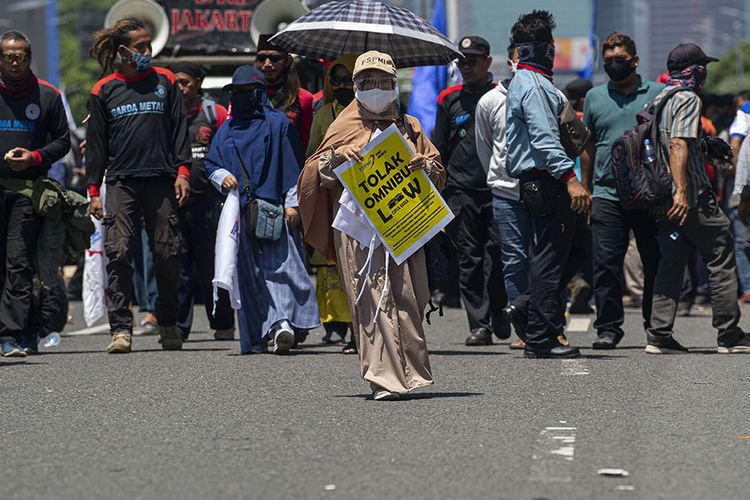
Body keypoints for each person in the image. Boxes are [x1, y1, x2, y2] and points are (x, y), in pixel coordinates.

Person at [300, 51, 444, 400]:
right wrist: (336, 159)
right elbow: (315, 175)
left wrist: (426, 165)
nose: (376, 89)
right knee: (372, 300)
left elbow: (438, 173)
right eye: (368, 83)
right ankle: (383, 378)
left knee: (411, 298)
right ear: (356, 87)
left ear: (394, 86)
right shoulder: (342, 126)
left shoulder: (409, 125)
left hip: (402, 226)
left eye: (384, 82)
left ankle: (409, 372)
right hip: (359, 232)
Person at [86, 17, 191, 354]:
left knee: (167, 252)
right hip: (120, 183)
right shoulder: (103, 89)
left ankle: (168, 323)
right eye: (140, 47)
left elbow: (179, 131)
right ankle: (120, 329)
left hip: (161, 180)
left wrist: (183, 172)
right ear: (122, 52)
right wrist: (93, 191)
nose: (148, 51)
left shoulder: (166, 81)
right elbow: (97, 145)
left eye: (149, 45)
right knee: (118, 252)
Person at [204, 65, 319, 355]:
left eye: (247, 92)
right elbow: (210, 163)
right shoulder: (226, 128)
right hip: (238, 215)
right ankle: (256, 334)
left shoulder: (278, 123)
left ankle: (282, 324)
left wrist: (293, 203)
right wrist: (221, 177)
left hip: (273, 211)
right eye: (236, 92)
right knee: (247, 275)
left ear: (258, 93)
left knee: (279, 267)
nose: (241, 98)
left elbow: (293, 165)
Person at [646, 43, 750, 354]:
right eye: (702, 66)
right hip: (689, 198)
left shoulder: (660, 97)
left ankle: (659, 334)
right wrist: (682, 192)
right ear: (694, 70)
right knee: (720, 253)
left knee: (672, 262)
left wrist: (704, 146)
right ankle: (729, 334)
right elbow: (677, 144)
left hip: (663, 197)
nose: (704, 72)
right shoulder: (687, 98)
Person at [505, 10, 591, 359]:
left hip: (545, 179)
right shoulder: (533, 85)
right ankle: (540, 338)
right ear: (539, 49)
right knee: (550, 260)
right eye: (549, 46)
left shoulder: (535, 82)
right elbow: (542, 138)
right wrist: (570, 179)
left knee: (580, 249)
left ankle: (526, 305)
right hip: (547, 179)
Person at [580, 32, 664, 349]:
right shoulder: (594, 97)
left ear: (635, 61)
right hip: (606, 194)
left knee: (655, 261)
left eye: (622, 60)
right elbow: (588, 146)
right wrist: (585, 189)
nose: (616, 65)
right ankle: (608, 328)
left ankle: (655, 325)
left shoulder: (657, 93)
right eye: (610, 61)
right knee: (605, 264)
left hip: (648, 195)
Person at [432, 35, 509, 346]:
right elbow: (438, 146)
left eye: (472, 61)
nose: (466, 66)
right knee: (469, 258)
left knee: (499, 254)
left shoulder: (501, 96)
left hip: (497, 188)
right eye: (461, 61)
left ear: (487, 63)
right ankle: (479, 324)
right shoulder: (448, 99)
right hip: (460, 191)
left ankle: (500, 308)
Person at [0, 30, 71, 357]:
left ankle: (12, 335)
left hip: (27, 191)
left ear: (29, 58)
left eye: (21, 57)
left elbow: (63, 140)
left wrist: (35, 157)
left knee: (18, 262)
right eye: (8, 57)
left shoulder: (48, 95)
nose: (15, 63)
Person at [171, 61, 235, 341]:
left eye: (185, 82)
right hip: (175, 202)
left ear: (198, 82)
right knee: (178, 266)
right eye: (176, 82)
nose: (180, 87)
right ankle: (179, 327)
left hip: (209, 203)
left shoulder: (214, 113)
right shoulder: (166, 113)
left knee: (212, 264)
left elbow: (227, 150)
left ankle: (222, 323)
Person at [475, 43, 530, 350]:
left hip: (542, 192)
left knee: (547, 260)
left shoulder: (549, 95)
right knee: (513, 261)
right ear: (510, 62)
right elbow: (486, 149)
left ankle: (550, 323)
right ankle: (523, 327)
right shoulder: (490, 101)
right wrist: (498, 179)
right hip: (505, 193)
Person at [305, 55, 357, 354]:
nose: (341, 85)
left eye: (347, 79)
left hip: (366, 197)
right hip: (332, 198)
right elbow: (312, 155)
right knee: (335, 265)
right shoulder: (324, 115)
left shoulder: (375, 112)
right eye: (335, 80)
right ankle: (341, 327)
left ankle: (359, 331)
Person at [255, 34, 314, 151]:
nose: (267, 64)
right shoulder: (245, 94)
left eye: (275, 58)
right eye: (262, 58)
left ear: (288, 61)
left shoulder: (304, 98)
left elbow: (307, 142)